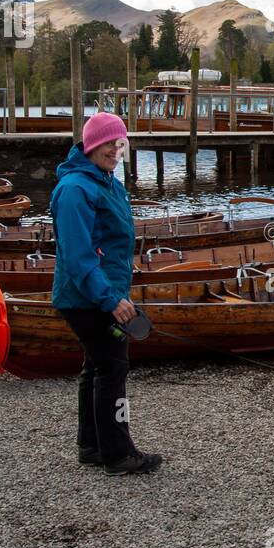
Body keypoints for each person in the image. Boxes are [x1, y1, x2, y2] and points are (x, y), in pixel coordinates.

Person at [50, 112, 162, 476]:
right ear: (91, 145)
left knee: (95, 368)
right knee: (113, 368)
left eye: (120, 143)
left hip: (103, 290)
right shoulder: (74, 190)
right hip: (89, 297)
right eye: (109, 144)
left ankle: (92, 445)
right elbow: (79, 257)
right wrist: (110, 299)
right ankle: (119, 453)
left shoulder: (107, 181)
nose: (116, 150)